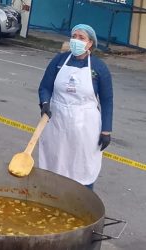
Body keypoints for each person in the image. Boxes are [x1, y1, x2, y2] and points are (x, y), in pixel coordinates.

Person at [38, 24, 113, 189]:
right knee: (54, 164)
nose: (76, 40)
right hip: (57, 122)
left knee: (81, 168)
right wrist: (45, 103)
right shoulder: (59, 61)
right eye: (74, 36)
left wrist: (106, 130)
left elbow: (107, 101)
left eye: (81, 38)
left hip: (85, 128)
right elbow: (45, 87)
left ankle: (83, 206)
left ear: (90, 43)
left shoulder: (99, 67)